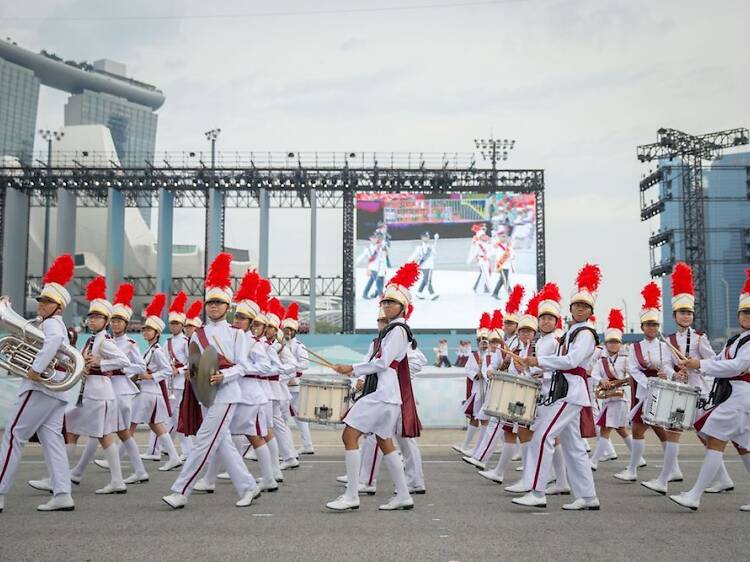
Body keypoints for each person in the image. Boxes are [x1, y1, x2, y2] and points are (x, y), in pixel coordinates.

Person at [163, 253, 261, 509]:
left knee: (205, 441)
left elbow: (244, 365)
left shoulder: (237, 334)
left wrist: (224, 375)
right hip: (205, 395)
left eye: (218, 303)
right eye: (210, 303)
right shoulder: (198, 334)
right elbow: (195, 363)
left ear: (227, 307)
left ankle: (180, 491)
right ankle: (249, 487)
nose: (213, 307)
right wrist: (190, 372)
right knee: (223, 444)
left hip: (227, 395)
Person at [326, 262, 421, 511]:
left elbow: (382, 362)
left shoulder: (399, 330)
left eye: (392, 302)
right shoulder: (391, 330)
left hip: (381, 395)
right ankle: (403, 495)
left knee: (349, 435)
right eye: (385, 302)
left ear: (403, 307)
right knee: (385, 442)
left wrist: (351, 368)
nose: (386, 305)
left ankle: (352, 495)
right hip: (388, 396)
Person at [514, 264, 601, 510]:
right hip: (566, 391)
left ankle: (537, 491)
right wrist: (533, 366)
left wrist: (539, 361)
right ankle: (587, 496)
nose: (581, 309)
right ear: (571, 308)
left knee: (542, 436)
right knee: (573, 447)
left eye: (585, 306)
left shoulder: (585, 333)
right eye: (577, 305)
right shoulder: (572, 332)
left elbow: (572, 362)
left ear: (590, 310)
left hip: (570, 392)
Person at [0, 255, 76, 513]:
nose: (41, 304)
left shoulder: (53, 324)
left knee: (13, 435)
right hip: (54, 391)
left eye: (47, 301)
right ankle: (63, 493)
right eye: (41, 300)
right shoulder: (49, 323)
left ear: (59, 307)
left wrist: (34, 369)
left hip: (40, 388)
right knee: (52, 439)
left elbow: (52, 344)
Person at [670, 268, 750, 512]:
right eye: (744, 311)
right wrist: (692, 366)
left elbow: (738, 365)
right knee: (743, 445)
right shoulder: (736, 339)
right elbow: (717, 360)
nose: (747, 316)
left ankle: (694, 495)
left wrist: (700, 364)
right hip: (734, 394)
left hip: (740, 395)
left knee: (714, 438)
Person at [641, 263, 716, 495]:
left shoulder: (700, 339)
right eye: (682, 312)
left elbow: (713, 362)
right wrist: (675, 373)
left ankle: (720, 478)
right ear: (674, 315)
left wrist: (695, 367)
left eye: (689, 312)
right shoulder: (668, 339)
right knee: (677, 430)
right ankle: (665, 479)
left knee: (708, 436)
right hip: (679, 391)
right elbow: (664, 363)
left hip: (699, 392)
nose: (686, 316)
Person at [72, 283, 150, 485]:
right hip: (105, 388)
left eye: (119, 321)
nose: (116, 324)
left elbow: (138, 366)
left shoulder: (129, 344)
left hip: (119, 389)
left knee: (113, 432)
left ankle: (78, 473)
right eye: (113, 320)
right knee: (114, 433)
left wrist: (114, 368)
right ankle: (79, 472)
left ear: (126, 323)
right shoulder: (98, 339)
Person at [65, 277, 131, 495]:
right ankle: (61, 476)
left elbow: (125, 361)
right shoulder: (92, 340)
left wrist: (102, 363)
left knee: (103, 437)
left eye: (97, 317)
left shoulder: (106, 341)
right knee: (72, 431)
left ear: (106, 320)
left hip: (100, 394)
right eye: (90, 317)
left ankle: (116, 481)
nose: (92, 321)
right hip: (87, 394)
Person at [614, 282, 676, 484]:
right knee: (641, 428)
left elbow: (667, 365)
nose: (652, 328)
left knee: (659, 429)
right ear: (642, 327)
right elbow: (633, 368)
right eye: (648, 325)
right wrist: (647, 382)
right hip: (642, 390)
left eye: (655, 325)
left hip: (661, 390)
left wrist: (668, 375)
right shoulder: (635, 347)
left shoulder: (663, 345)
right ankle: (634, 469)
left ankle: (668, 468)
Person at [130, 293, 183, 473]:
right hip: (149, 392)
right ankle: (174, 457)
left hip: (149, 393)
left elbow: (168, 370)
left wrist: (149, 377)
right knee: (156, 425)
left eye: (148, 329)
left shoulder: (158, 351)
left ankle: (117, 458)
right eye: (144, 329)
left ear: (157, 333)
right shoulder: (149, 350)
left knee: (130, 425)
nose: (145, 332)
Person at [589, 309, 637, 471]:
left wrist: (622, 381)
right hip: (608, 397)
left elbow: (633, 375)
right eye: (610, 342)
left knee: (605, 429)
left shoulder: (625, 360)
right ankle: (640, 457)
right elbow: (594, 374)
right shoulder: (602, 360)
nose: (613, 345)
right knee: (621, 429)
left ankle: (594, 461)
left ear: (620, 344)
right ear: (606, 344)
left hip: (621, 398)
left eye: (616, 342)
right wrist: (601, 380)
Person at [282, 302, 315, 455]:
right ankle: (293, 448)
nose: (287, 332)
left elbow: (305, 364)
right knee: (286, 417)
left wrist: (293, 375)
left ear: (295, 332)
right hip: (283, 384)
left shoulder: (298, 346)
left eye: (290, 330)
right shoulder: (281, 344)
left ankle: (304, 446)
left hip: (295, 386)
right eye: (285, 329)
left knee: (296, 417)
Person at [410, 232, 439, 300]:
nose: (426, 238)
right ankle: (432, 294)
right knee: (428, 280)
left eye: (427, 236)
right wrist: (410, 261)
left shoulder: (430, 247)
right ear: (422, 238)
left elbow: (435, 253)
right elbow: (414, 255)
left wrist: (436, 240)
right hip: (423, 266)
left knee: (425, 280)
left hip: (429, 266)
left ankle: (419, 293)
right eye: (425, 236)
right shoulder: (419, 247)